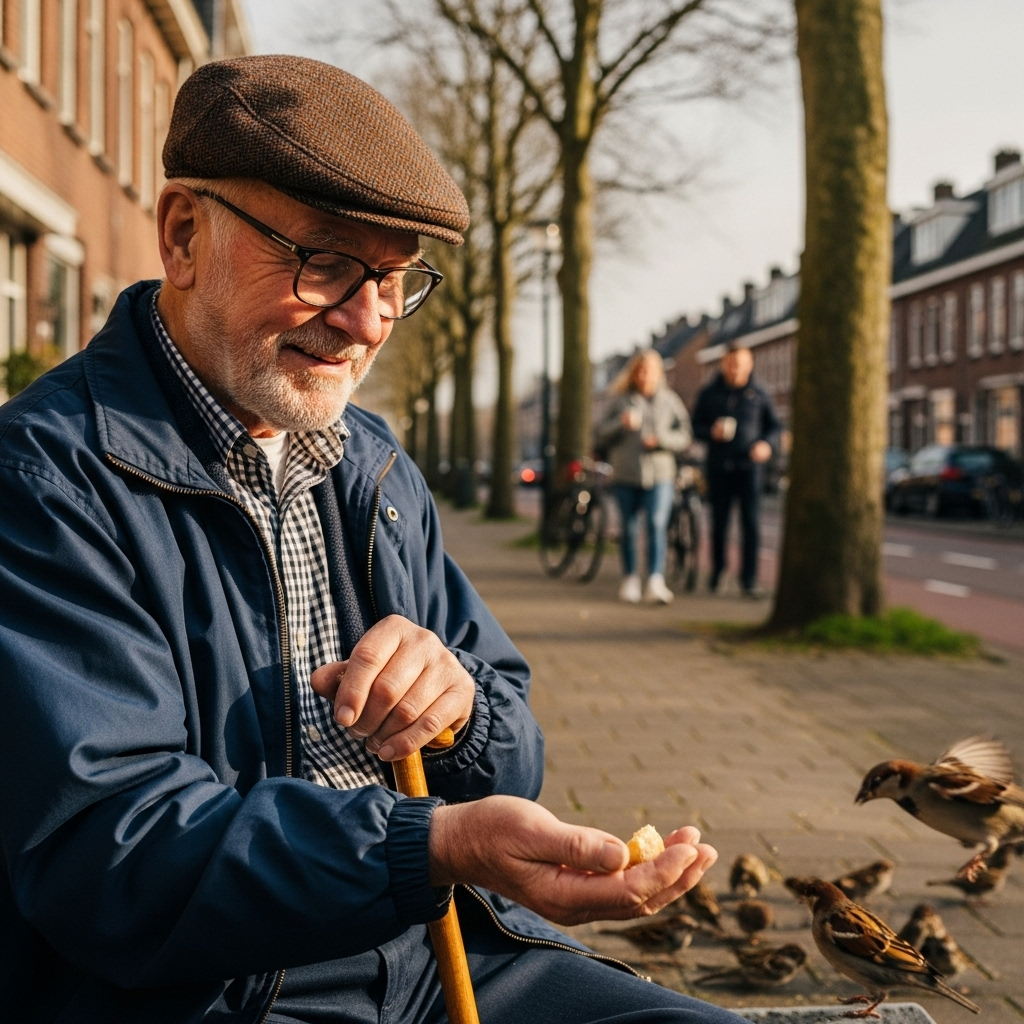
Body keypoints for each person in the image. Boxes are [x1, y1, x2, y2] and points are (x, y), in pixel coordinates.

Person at [0, 57, 745, 1024]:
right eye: (325, 263)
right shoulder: (45, 484)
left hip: (446, 953)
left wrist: (460, 712)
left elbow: (513, 746)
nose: (366, 323)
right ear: (184, 235)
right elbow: (113, 855)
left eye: (395, 280)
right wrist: (427, 847)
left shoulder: (371, 465)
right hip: (216, 995)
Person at [596, 350, 692, 604]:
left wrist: (662, 441)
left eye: (649, 370)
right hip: (626, 473)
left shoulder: (670, 401)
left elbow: (685, 434)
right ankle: (630, 579)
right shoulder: (620, 401)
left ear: (658, 373)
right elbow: (599, 433)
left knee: (657, 524)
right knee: (628, 527)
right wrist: (620, 423)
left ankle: (655, 580)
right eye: (639, 370)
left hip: (660, 474)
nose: (644, 375)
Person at [692, 341, 781, 598]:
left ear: (750, 364)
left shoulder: (760, 393)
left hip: (750, 468)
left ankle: (749, 579)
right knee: (719, 523)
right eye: (731, 363)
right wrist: (710, 432)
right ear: (723, 364)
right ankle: (718, 571)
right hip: (719, 467)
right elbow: (694, 425)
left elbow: (774, 427)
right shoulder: (709, 393)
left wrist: (766, 445)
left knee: (750, 524)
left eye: (740, 364)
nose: (735, 369)